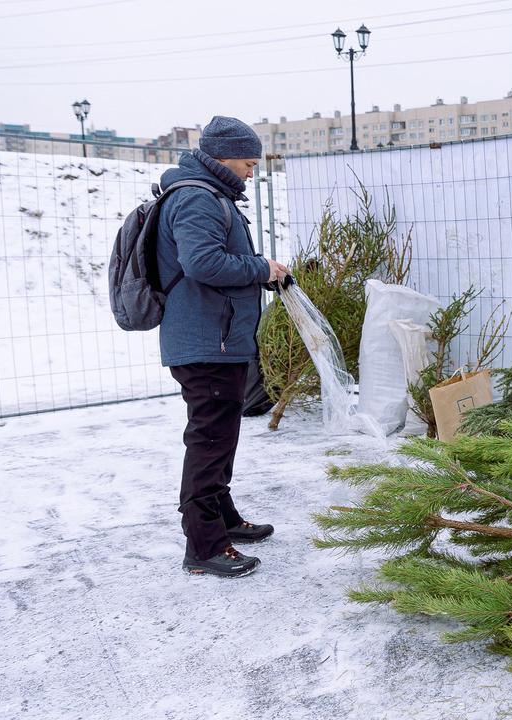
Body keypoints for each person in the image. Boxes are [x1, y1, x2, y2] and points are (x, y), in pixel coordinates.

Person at [155, 115, 290, 577]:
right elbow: (204, 263)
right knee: (210, 440)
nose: (253, 170)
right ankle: (204, 544)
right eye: (249, 162)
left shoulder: (210, 194)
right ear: (223, 156)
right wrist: (261, 270)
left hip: (217, 339)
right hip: (204, 342)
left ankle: (223, 518)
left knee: (221, 435)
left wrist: (261, 271)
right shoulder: (196, 197)